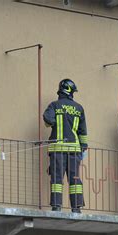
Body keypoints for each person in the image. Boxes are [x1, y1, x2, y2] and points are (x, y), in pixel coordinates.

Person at [43, 79, 88, 213]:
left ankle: (56, 206)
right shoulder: (79, 108)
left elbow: (48, 120)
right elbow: (83, 131)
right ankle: (76, 207)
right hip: (74, 150)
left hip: (58, 149)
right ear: (70, 91)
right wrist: (83, 147)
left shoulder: (54, 105)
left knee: (57, 178)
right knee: (75, 179)